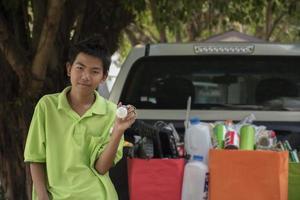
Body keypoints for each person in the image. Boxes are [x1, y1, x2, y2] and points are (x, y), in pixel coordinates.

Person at [24, 36, 136, 200]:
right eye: (80, 68)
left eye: (95, 71)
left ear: (104, 77)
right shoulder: (46, 106)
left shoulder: (111, 112)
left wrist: (118, 130)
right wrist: (42, 197)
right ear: (69, 69)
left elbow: (101, 168)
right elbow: (35, 158)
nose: (86, 76)